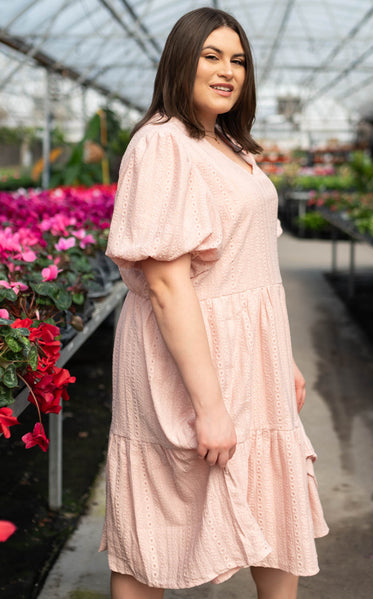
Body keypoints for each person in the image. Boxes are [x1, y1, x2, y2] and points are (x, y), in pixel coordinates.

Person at [100, 7, 328, 599]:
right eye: (212, 56)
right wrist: (212, 405)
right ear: (181, 60)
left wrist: (284, 360)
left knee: (273, 501)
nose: (228, 71)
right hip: (190, 354)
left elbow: (254, 262)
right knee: (160, 512)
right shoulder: (162, 144)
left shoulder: (228, 143)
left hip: (252, 357)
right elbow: (169, 284)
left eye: (239, 61)